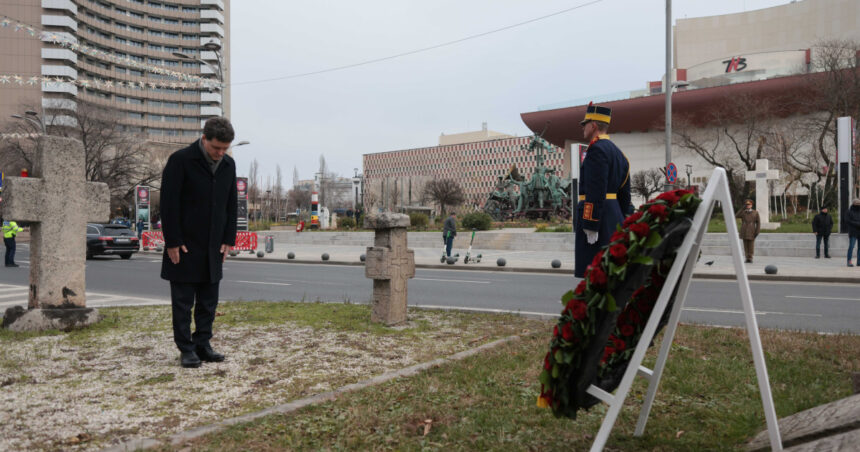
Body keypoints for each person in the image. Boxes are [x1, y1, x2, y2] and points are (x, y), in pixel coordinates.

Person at [160, 117, 238, 368]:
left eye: (225, 148)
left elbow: (231, 204)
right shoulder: (180, 160)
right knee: (183, 303)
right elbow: (168, 203)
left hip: (214, 245)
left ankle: (203, 344)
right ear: (204, 139)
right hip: (184, 244)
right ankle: (186, 349)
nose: (220, 153)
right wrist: (172, 240)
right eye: (216, 148)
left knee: (208, 301)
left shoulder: (228, 165)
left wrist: (229, 239)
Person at [575, 103, 632, 277]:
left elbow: (595, 189)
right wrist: (624, 220)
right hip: (613, 216)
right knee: (610, 271)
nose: (583, 128)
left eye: (585, 124)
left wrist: (591, 223)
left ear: (593, 126)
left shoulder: (596, 150)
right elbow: (625, 193)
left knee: (595, 274)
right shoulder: (619, 153)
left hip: (598, 218)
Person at [736, 199, 760, 263]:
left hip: (751, 229)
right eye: (746, 204)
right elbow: (736, 215)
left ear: (751, 205)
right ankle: (747, 258)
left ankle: (750, 257)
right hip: (744, 229)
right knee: (745, 245)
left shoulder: (755, 212)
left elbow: (758, 222)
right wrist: (742, 208)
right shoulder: (743, 212)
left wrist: (757, 231)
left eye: (749, 204)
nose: (748, 205)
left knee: (751, 245)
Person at [846, 199, 860, 267]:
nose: (858, 205)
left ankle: (859, 262)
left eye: (859, 204)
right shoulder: (849, 211)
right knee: (851, 247)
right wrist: (857, 223)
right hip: (853, 232)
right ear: (853, 204)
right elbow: (848, 221)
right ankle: (849, 261)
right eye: (857, 204)